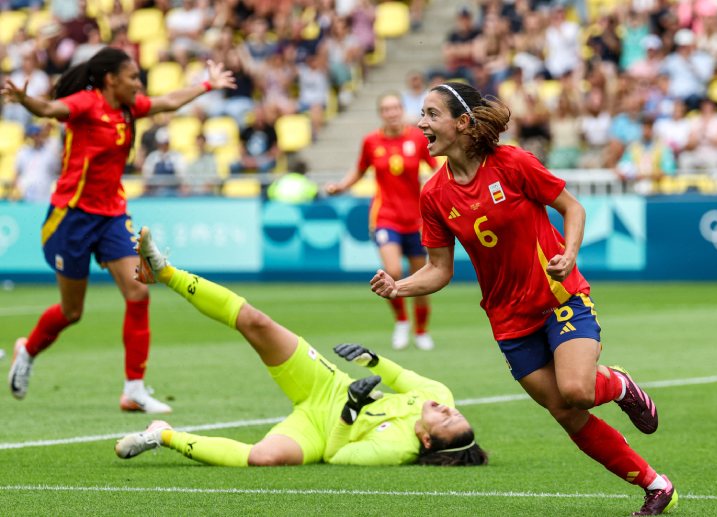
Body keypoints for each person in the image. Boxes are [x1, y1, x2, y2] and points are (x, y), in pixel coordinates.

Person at [370, 82, 678, 516]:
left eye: (431, 114)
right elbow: (440, 270)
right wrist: (398, 287)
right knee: (565, 412)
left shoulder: (512, 162)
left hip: (558, 299)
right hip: (508, 320)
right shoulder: (434, 195)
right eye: (420, 114)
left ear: (462, 123)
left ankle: (620, 384)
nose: (421, 124)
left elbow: (573, 208)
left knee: (576, 389)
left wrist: (568, 255)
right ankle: (655, 485)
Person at [114, 227, 488, 468]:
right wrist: (371, 360)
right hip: (327, 386)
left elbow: (335, 454)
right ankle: (163, 272)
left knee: (265, 457)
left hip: (321, 429)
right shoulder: (440, 394)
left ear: (426, 439)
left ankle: (163, 434)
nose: (447, 408)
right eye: (456, 413)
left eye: (446, 419)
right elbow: (402, 376)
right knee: (256, 322)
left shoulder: (395, 450)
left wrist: (350, 414)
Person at [1, 47, 236, 413]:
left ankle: (134, 389)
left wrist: (207, 84)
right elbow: (49, 109)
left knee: (140, 293)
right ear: (111, 79)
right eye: (132, 77)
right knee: (71, 311)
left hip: (112, 215)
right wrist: (24, 100)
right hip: (72, 216)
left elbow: (170, 100)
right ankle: (27, 350)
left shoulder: (130, 108)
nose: (138, 84)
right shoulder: (85, 104)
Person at [326, 93, 438, 351]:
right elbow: (360, 169)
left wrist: (438, 185)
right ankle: (401, 320)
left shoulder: (417, 138)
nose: (392, 113)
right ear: (381, 113)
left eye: (396, 107)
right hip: (385, 216)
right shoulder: (371, 141)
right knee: (394, 273)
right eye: (386, 109)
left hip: (417, 219)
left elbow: (436, 168)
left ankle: (421, 330)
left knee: (421, 279)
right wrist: (341, 186)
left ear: (402, 110)